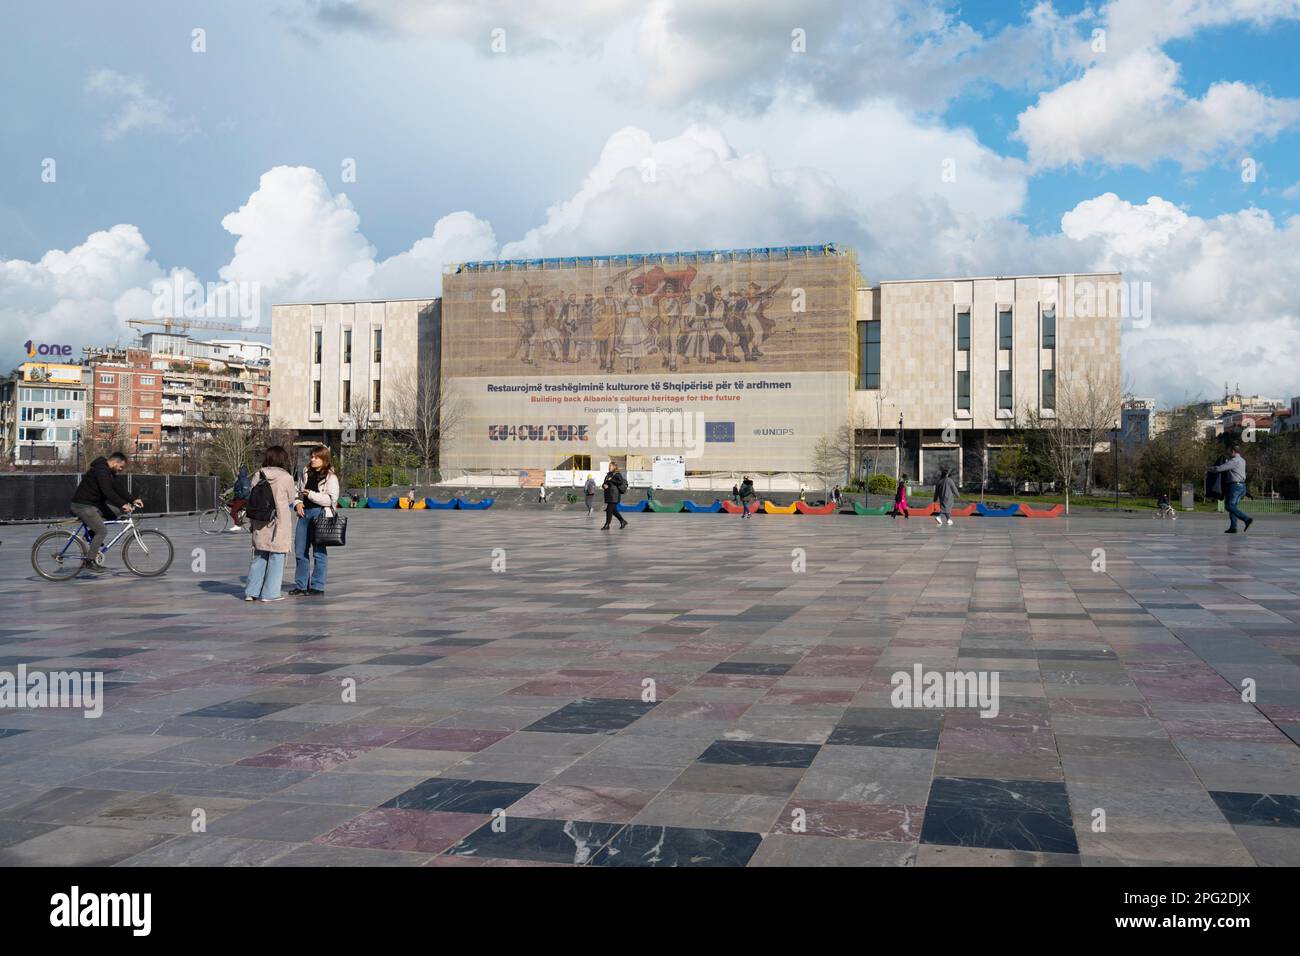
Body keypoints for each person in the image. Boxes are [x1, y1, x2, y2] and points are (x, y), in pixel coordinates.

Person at [69, 451, 143, 573]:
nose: (120, 469)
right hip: (82, 506)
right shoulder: (101, 471)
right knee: (102, 531)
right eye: (121, 466)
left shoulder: (109, 472)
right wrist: (123, 504)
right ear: (115, 462)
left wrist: (133, 499)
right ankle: (89, 561)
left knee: (117, 511)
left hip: (93, 505)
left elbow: (118, 488)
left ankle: (90, 535)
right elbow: (108, 491)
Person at [245, 445, 297, 602]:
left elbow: (252, 495)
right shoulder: (286, 477)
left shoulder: (258, 475)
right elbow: (291, 499)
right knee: (277, 557)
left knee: (259, 556)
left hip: (260, 521)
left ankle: (251, 592)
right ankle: (270, 593)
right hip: (278, 521)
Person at [291, 444, 340, 595]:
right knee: (300, 551)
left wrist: (310, 494)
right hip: (304, 514)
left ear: (324, 459)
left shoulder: (331, 477)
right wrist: (297, 503)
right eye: (311, 456)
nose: (312, 459)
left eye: (316, 457)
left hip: (321, 514)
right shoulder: (305, 472)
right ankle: (301, 585)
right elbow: (297, 492)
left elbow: (330, 500)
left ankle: (317, 586)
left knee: (319, 552)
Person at [1213, 446, 1252, 533]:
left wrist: (1211, 468)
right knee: (1233, 506)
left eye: (1230, 451)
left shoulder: (1234, 460)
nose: (1229, 453)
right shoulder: (1242, 460)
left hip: (1234, 486)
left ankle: (1247, 519)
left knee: (1229, 506)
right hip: (1242, 486)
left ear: (1233, 451)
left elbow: (1220, 468)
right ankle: (1233, 527)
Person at [601, 462, 629, 530]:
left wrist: (612, 480)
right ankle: (622, 521)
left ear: (614, 467)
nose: (609, 467)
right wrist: (604, 486)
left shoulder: (617, 474)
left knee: (609, 510)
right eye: (609, 466)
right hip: (609, 494)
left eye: (610, 466)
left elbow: (620, 482)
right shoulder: (608, 474)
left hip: (614, 495)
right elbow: (605, 483)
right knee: (612, 510)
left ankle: (607, 524)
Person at [227, 464, 251, 532]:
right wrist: (226, 493)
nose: (237, 472)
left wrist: (239, 496)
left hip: (244, 499)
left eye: (239, 471)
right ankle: (241, 512)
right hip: (239, 498)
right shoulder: (239, 479)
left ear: (242, 472)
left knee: (233, 511)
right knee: (229, 503)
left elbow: (246, 491)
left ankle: (237, 525)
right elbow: (234, 488)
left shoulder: (244, 480)